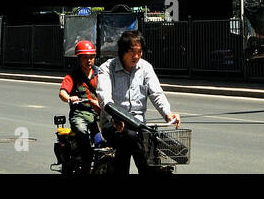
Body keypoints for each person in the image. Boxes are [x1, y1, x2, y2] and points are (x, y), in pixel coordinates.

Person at [96, 30, 181, 175]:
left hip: (140, 126)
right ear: (122, 51)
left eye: (139, 52)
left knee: (151, 145)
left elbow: (156, 93)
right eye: (131, 52)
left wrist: (168, 113)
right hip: (113, 125)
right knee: (129, 137)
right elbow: (104, 98)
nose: (136, 56)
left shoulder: (145, 67)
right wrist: (115, 117)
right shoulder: (107, 69)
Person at [58, 40, 101, 173]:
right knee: (82, 132)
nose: (89, 60)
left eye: (91, 57)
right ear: (79, 58)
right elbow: (62, 92)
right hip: (80, 114)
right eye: (85, 57)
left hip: (98, 112)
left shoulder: (100, 74)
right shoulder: (73, 76)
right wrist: (69, 97)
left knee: (103, 138)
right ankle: (86, 165)